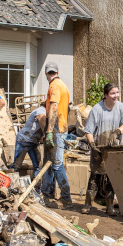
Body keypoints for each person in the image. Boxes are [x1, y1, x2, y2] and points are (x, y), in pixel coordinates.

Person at [82, 83, 123, 215]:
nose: (116, 96)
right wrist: (92, 144)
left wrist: (117, 132)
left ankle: (109, 207)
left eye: (117, 93)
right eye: (112, 93)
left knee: (111, 178)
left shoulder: (121, 107)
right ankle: (87, 205)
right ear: (105, 95)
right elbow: (89, 131)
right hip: (99, 148)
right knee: (95, 177)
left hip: (114, 148)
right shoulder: (97, 110)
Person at [41, 62, 73, 209]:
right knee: (48, 161)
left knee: (56, 164)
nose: (51, 75)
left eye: (51, 73)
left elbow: (54, 108)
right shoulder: (63, 85)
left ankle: (66, 198)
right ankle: (46, 194)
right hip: (60, 127)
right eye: (50, 73)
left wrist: (48, 132)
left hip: (55, 128)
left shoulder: (54, 85)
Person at [12, 101, 46, 178]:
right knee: (16, 165)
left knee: (37, 165)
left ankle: (37, 186)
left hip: (33, 142)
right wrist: (47, 136)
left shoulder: (44, 112)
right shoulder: (41, 111)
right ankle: (12, 184)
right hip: (24, 140)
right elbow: (43, 124)